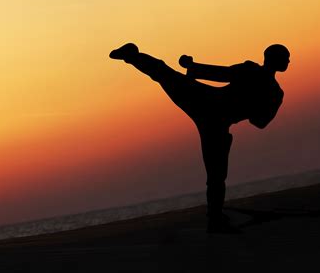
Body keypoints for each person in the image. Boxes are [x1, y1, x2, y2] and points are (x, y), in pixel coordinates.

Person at [109, 43, 290, 233]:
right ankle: (215, 218)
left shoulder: (265, 84)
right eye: (285, 57)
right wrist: (193, 68)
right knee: (216, 176)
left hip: (210, 111)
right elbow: (257, 119)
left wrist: (192, 68)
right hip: (211, 108)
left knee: (165, 74)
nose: (288, 61)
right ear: (272, 58)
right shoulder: (272, 90)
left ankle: (215, 219)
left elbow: (224, 77)